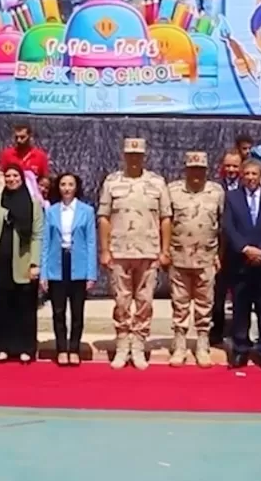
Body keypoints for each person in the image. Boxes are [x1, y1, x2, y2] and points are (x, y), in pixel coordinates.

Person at [98, 138, 173, 370]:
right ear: (124, 156)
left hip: (148, 251)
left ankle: (139, 343)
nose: (134, 159)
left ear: (144, 157)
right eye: (130, 155)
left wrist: (165, 250)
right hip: (120, 251)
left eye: (138, 155)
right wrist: (105, 250)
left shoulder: (157, 182)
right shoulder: (112, 182)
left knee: (144, 301)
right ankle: (122, 343)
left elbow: (165, 218)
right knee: (121, 300)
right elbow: (104, 217)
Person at [166, 151, 223, 368]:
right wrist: (165, 251)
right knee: (179, 303)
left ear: (206, 170)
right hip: (179, 256)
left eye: (200, 170)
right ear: (186, 170)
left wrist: (220, 255)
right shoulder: (173, 191)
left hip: (206, 257)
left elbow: (222, 225)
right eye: (192, 169)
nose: (196, 174)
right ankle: (180, 343)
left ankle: (202, 343)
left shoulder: (216, 192)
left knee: (204, 303)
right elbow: (166, 222)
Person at [0, 165, 42, 363]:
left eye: (15, 175)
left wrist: (35, 262)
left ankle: (25, 348)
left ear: (22, 179)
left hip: (23, 263)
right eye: (8, 176)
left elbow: (37, 235)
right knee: (2, 307)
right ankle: (2, 347)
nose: (11, 179)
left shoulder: (33, 204)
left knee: (24, 307)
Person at [223, 159, 261, 370]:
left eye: (254, 174)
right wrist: (245, 248)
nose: (250, 178)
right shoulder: (232, 197)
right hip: (241, 263)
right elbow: (229, 226)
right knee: (241, 309)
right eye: (247, 174)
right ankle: (240, 350)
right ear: (242, 176)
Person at [41, 172, 95, 366]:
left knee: (77, 311)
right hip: (57, 264)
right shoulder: (51, 211)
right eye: (63, 184)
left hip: (78, 264)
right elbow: (45, 243)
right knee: (58, 311)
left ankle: (74, 348)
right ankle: (61, 349)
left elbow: (91, 242)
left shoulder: (87, 211)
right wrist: (44, 273)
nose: (67, 188)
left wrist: (91, 273)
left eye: (70, 184)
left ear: (76, 187)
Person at [210, 150, 244, 347]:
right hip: (219, 250)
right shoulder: (215, 188)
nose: (231, 170)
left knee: (241, 295)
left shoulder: (248, 185)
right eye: (228, 166)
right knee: (218, 294)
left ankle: (239, 334)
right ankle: (216, 332)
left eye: (235, 166)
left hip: (241, 250)